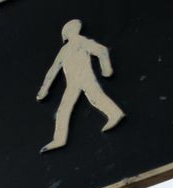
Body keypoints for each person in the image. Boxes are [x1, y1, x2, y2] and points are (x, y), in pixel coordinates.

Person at [36, 19, 124, 152]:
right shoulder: (65, 49)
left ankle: (116, 114)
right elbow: (54, 69)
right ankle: (59, 139)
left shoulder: (81, 42)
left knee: (95, 98)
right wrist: (43, 90)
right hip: (73, 83)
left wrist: (107, 69)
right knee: (64, 109)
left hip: (85, 78)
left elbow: (102, 50)